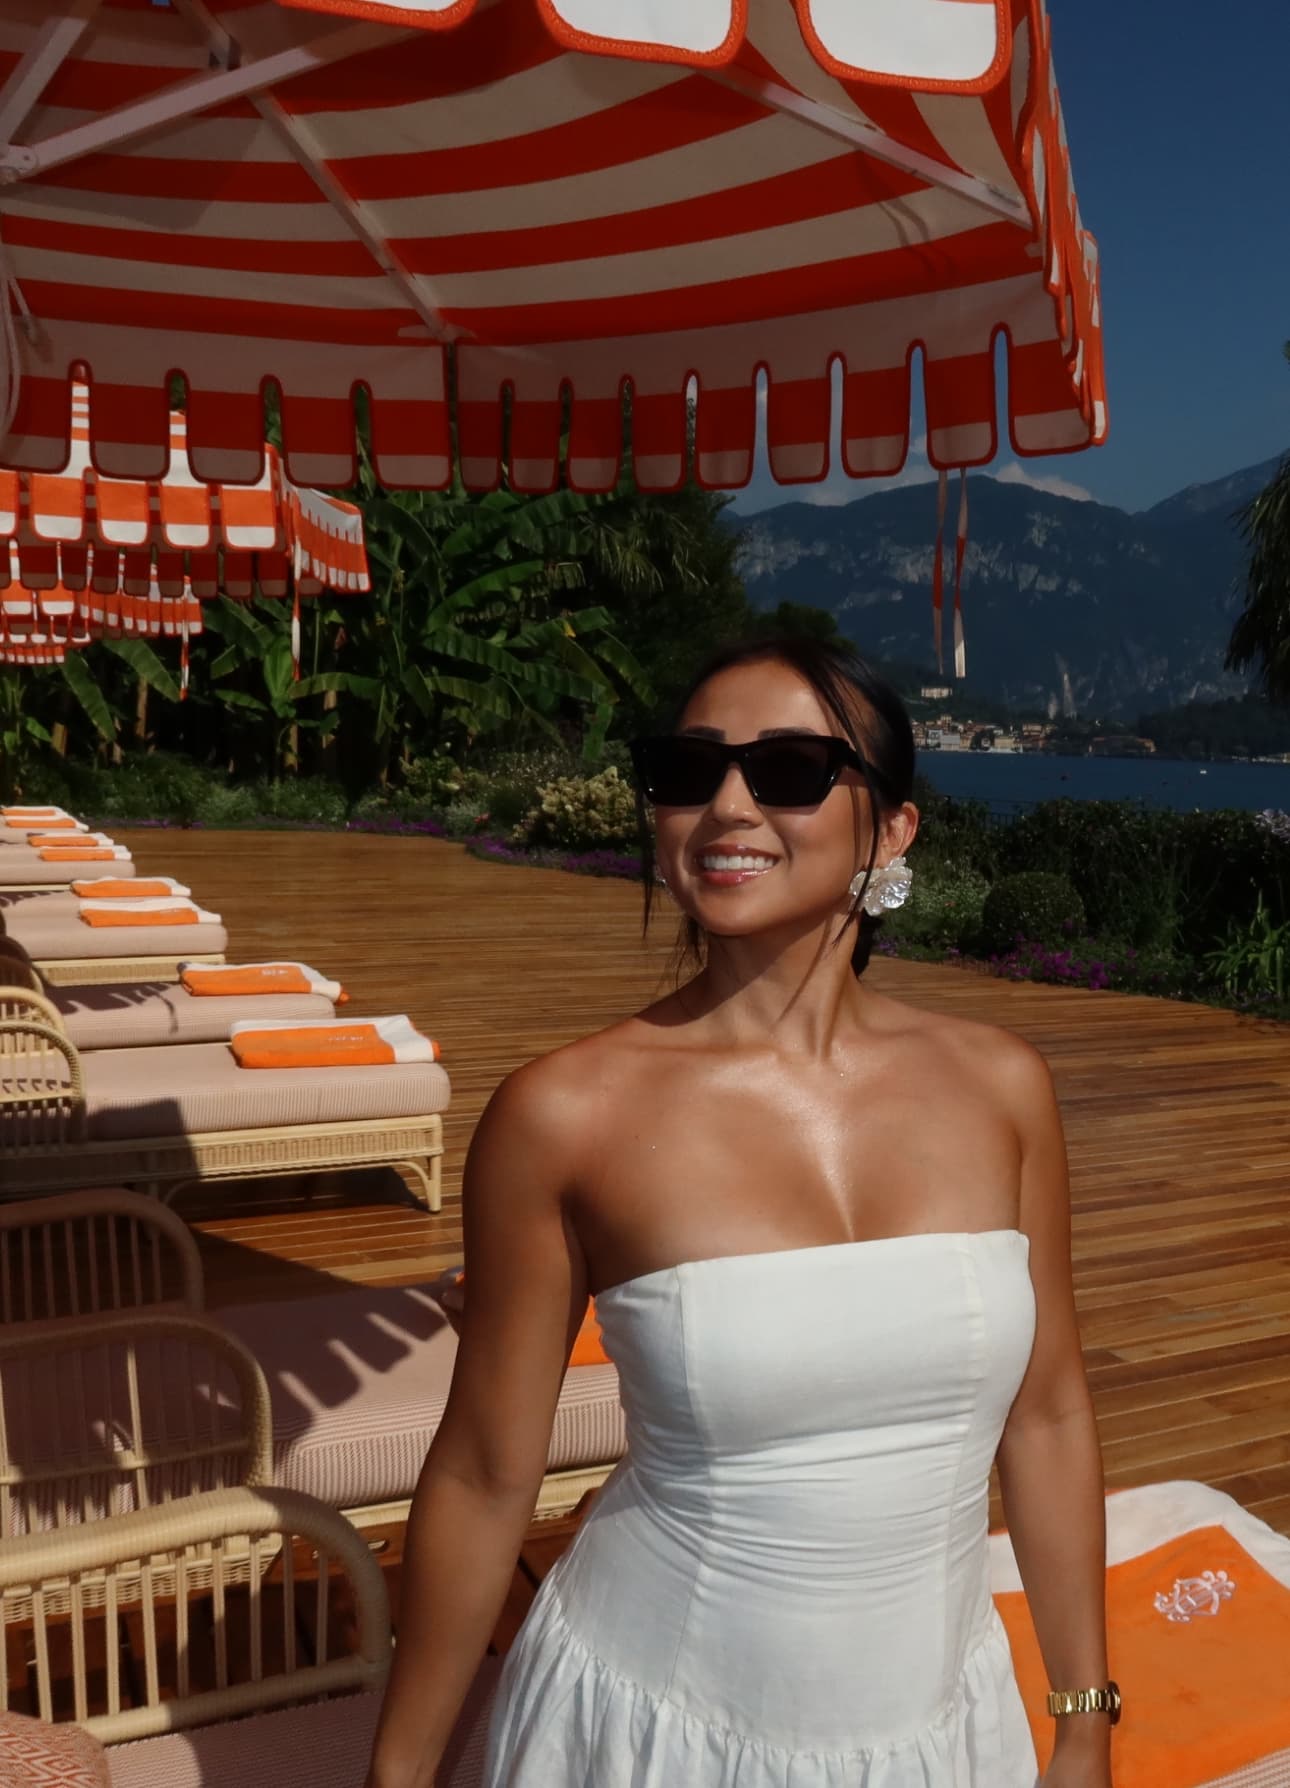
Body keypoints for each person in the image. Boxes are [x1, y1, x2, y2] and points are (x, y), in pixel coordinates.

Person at [365, 636, 1115, 1788]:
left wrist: (1081, 1717)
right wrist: (400, 1776)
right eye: (686, 770)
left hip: (945, 1726)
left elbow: (1050, 1417)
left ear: (895, 830)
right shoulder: (564, 1115)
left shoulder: (1002, 1087)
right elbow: (481, 1473)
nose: (726, 805)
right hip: (652, 1730)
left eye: (790, 771)